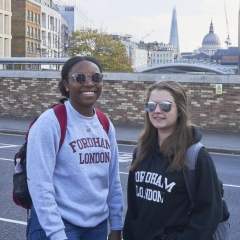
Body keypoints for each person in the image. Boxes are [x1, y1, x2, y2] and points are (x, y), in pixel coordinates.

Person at [27, 56, 123, 240]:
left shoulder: (105, 123)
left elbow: (113, 180)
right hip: (58, 225)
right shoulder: (50, 123)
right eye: (80, 78)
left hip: (97, 226)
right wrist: (56, 234)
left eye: (96, 77)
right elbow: (39, 184)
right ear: (66, 84)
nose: (89, 83)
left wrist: (117, 225)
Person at [123, 80, 222, 240]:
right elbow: (133, 209)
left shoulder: (196, 156)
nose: (157, 111)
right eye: (151, 105)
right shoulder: (141, 152)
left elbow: (209, 213)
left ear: (180, 110)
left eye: (165, 106)